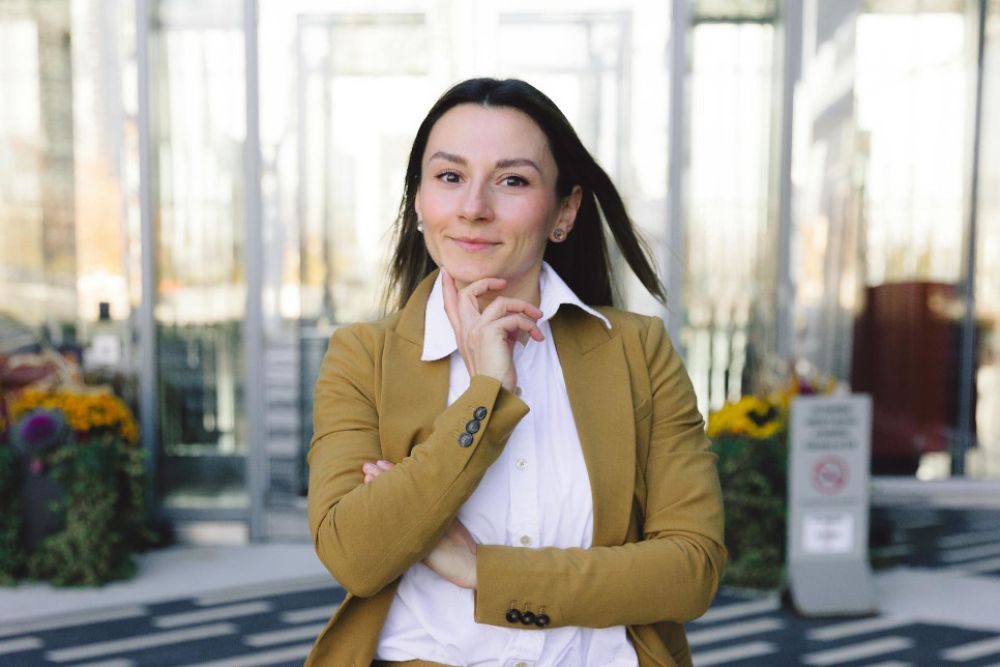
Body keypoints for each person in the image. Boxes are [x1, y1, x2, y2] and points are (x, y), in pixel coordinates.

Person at [306, 77, 725, 667]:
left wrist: (483, 571)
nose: (474, 208)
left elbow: (690, 570)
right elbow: (355, 553)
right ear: (419, 203)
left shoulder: (638, 351)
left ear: (565, 210)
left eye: (512, 180)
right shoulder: (362, 357)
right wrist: (486, 397)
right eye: (450, 177)